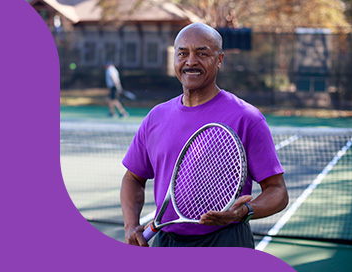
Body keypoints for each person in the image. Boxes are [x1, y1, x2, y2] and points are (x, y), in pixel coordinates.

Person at [120, 23, 288, 247]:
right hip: (166, 242)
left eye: (202, 53)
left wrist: (243, 212)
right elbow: (133, 178)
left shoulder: (247, 118)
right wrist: (131, 225)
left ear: (219, 59)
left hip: (226, 242)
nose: (190, 62)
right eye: (182, 53)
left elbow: (278, 192)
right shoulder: (155, 117)